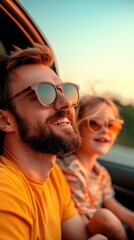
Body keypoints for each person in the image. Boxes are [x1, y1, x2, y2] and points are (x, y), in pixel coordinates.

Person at [0, 44, 107, 240]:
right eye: (44, 93)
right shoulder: (4, 191)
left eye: (65, 90)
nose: (66, 102)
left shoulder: (53, 175)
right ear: (5, 120)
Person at [58, 95, 134, 240]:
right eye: (95, 123)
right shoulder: (71, 169)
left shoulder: (100, 172)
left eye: (112, 125)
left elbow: (112, 204)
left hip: (100, 229)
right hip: (82, 229)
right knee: (105, 217)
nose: (105, 130)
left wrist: (130, 218)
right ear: (76, 127)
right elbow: (81, 220)